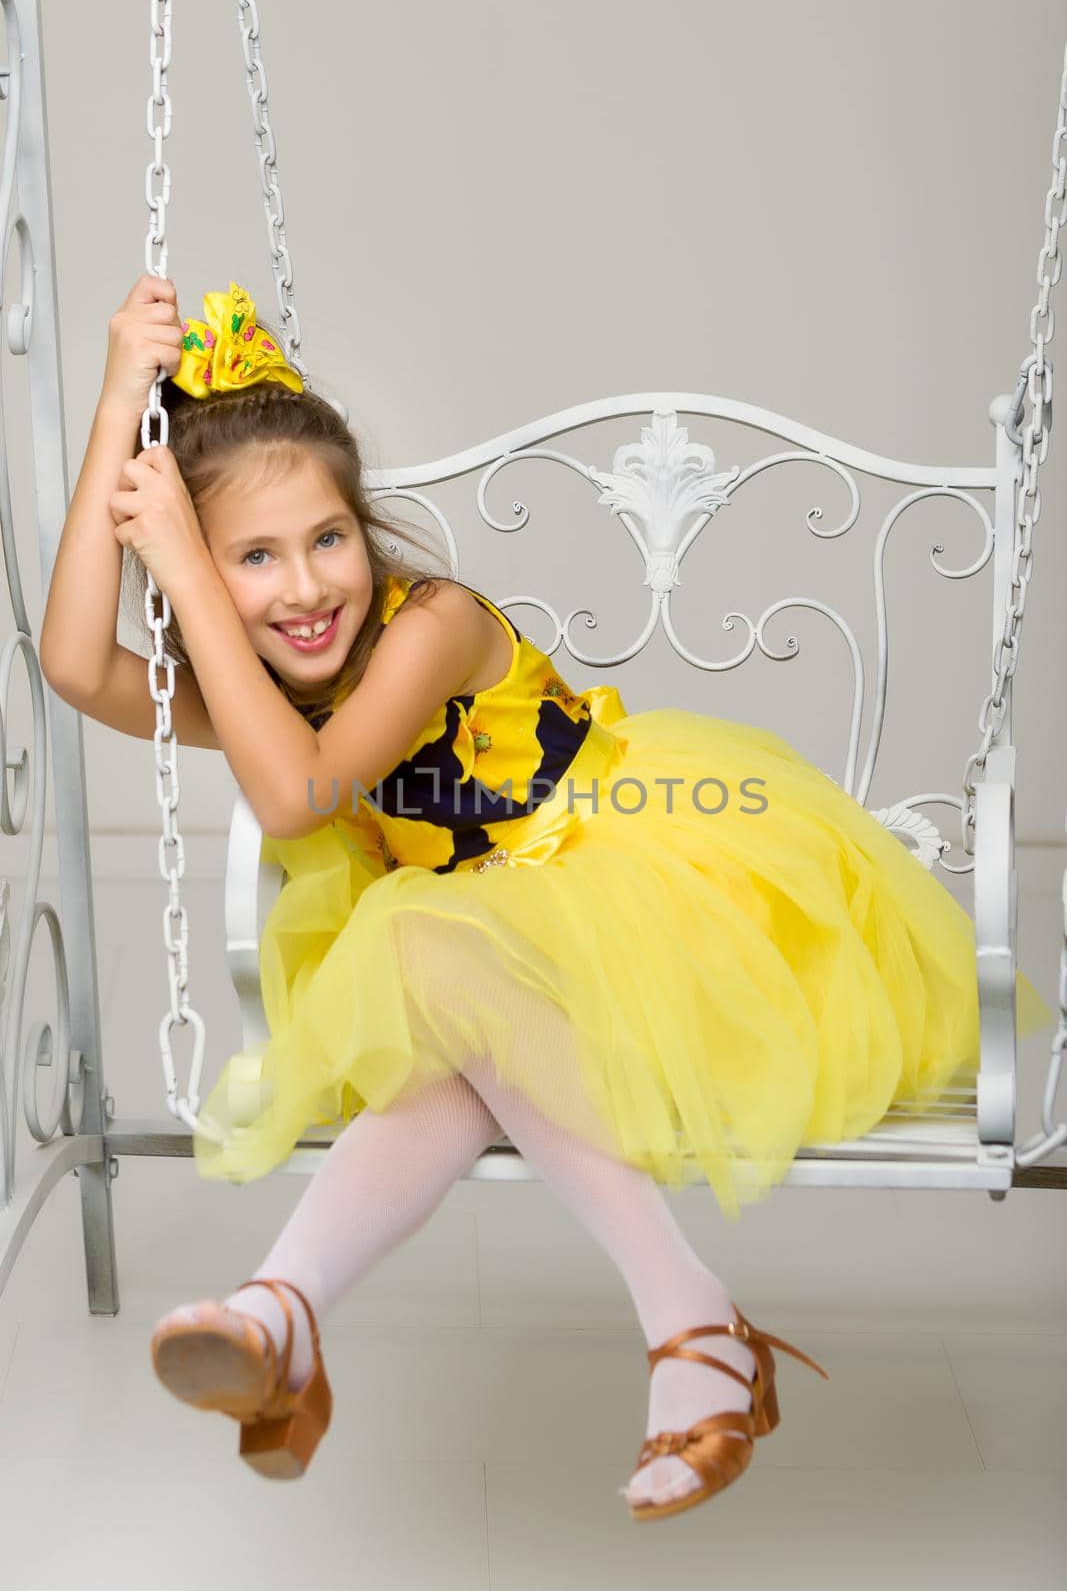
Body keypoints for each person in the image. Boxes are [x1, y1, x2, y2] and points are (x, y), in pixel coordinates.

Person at [41, 274, 1054, 1520]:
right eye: (254, 555)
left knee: (424, 946)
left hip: (650, 908)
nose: (305, 586)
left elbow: (302, 796)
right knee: (440, 989)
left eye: (327, 537)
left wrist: (194, 576)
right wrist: (111, 414)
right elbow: (78, 663)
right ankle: (290, 1316)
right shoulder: (275, 689)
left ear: (366, 530)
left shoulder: (434, 625)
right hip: (490, 971)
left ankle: (670, 1319)